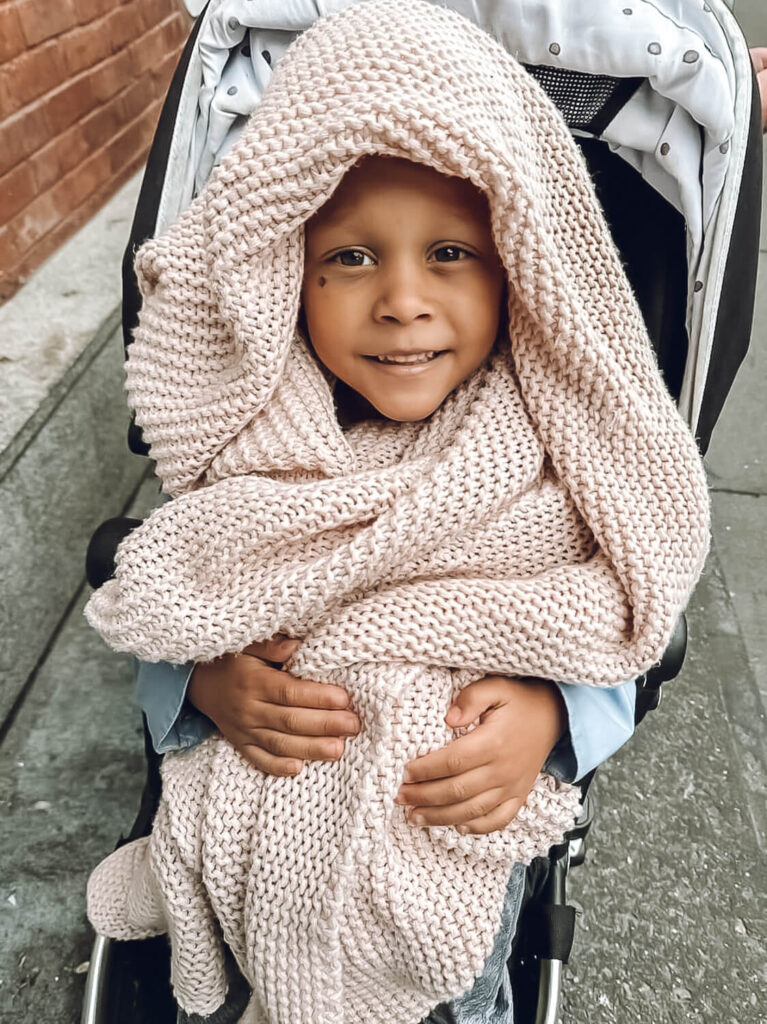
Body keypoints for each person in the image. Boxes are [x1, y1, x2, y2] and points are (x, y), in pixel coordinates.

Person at [84, 3, 710, 1022]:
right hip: (257, 850)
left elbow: (619, 608)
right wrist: (198, 680)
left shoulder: (557, 454)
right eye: (352, 257)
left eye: (451, 254)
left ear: (518, 264)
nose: (402, 301)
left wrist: (556, 720)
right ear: (285, 268)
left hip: (442, 892)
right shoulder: (257, 437)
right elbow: (189, 576)